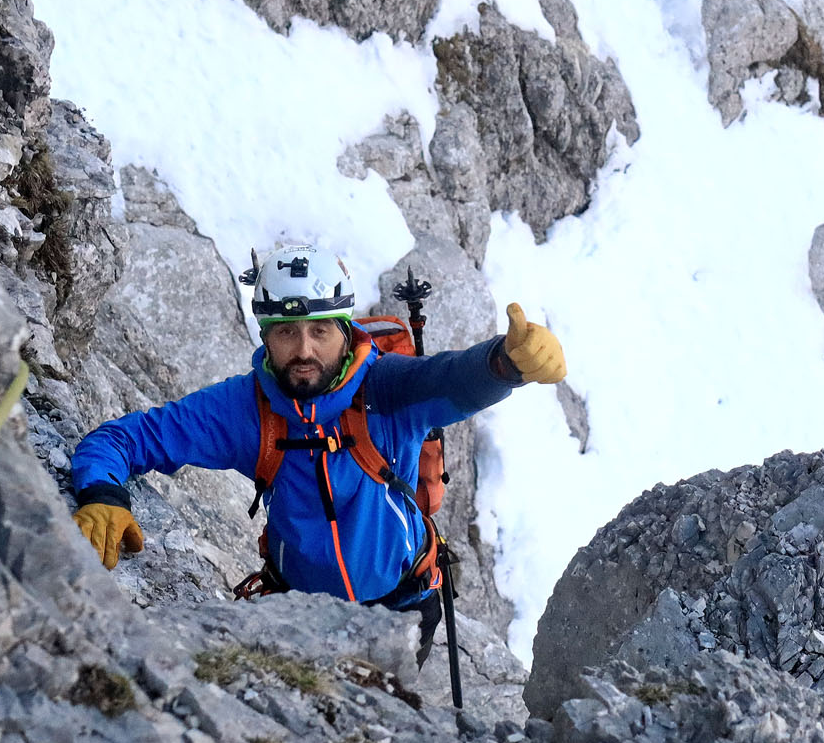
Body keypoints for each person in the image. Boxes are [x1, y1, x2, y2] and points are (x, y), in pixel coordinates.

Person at [68, 244, 565, 631]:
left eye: (320, 331)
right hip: (299, 617)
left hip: (404, 609)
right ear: (265, 337)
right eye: (286, 332)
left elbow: (450, 377)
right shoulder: (245, 409)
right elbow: (121, 440)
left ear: (345, 332)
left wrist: (504, 363)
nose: (303, 350)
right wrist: (102, 494)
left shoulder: (387, 389)